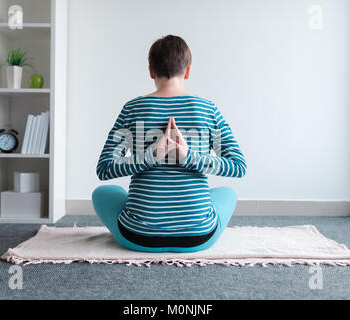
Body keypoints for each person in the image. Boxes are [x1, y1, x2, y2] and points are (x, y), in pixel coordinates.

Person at [93, 35, 246, 252]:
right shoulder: (207, 110)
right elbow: (238, 166)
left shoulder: (132, 108)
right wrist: (189, 158)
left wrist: (151, 157)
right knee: (226, 194)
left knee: (103, 193)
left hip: (138, 236)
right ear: (188, 71)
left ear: (151, 71)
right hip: (198, 237)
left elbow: (104, 169)